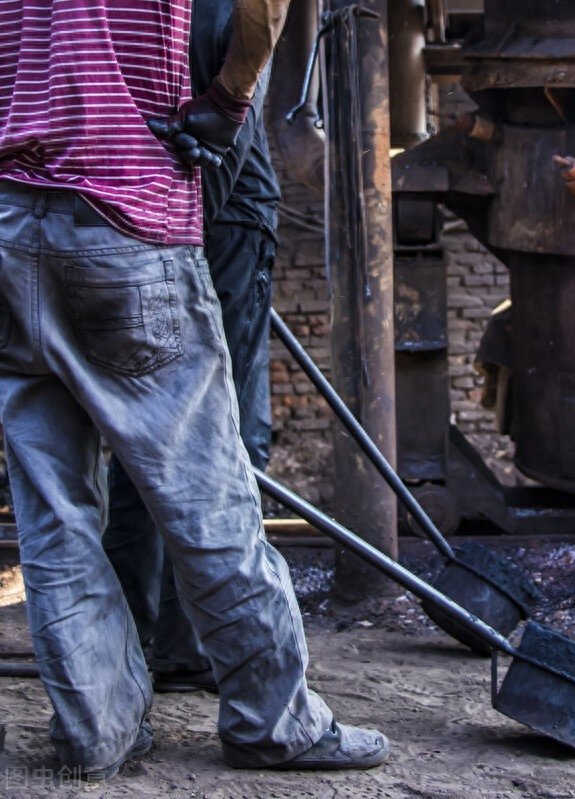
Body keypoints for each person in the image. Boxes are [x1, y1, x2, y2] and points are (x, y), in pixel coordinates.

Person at [0, 0, 388, 778]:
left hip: (11, 224)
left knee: (53, 512)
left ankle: (96, 731)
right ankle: (272, 720)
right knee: (207, 494)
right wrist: (227, 102)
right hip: (127, 216)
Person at [102, 0, 280, 695]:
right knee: (224, 436)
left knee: (143, 427)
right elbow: (262, 21)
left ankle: (144, 640)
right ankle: (191, 642)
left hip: (162, 202)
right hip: (201, 201)